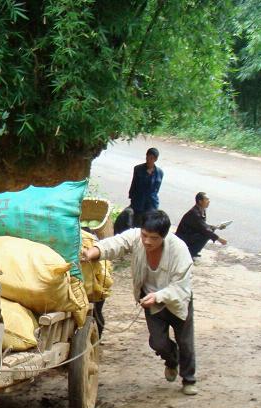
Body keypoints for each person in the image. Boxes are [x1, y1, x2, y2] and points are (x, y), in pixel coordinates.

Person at [81, 210, 197, 395]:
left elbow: (180, 286)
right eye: (144, 235)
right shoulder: (136, 238)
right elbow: (117, 243)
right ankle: (172, 360)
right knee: (158, 343)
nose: (147, 241)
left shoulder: (179, 250)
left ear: (164, 236)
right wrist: (95, 251)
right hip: (150, 301)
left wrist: (159, 296)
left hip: (176, 301)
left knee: (185, 341)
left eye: (154, 238)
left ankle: (189, 379)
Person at [175, 192, 228, 258]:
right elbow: (205, 229)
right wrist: (219, 239)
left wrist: (217, 227)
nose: (209, 201)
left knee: (210, 230)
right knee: (206, 234)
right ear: (200, 201)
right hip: (182, 237)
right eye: (206, 199)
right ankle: (191, 253)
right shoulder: (194, 213)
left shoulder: (202, 210)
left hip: (189, 234)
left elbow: (203, 226)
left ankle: (193, 251)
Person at [128, 147, 163, 227]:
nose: (149, 160)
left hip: (151, 203)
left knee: (149, 224)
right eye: (147, 157)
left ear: (155, 159)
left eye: (151, 158)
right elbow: (134, 184)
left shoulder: (160, 173)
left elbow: (157, 189)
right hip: (138, 202)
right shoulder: (138, 169)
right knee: (137, 223)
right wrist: (132, 197)